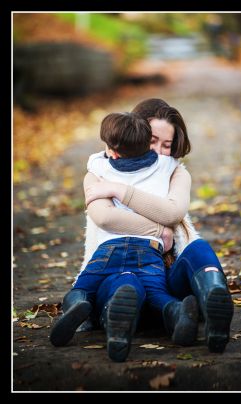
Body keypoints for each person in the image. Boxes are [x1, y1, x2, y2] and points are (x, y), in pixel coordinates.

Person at [71, 99, 234, 353]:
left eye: (166, 145)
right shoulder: (98, 172)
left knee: (198, 249)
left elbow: (173, 212)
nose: (158, 151)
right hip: (117, 279)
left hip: (166, 285)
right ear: (134, 134)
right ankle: (119, 320)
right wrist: (158, 231)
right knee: (119, 283)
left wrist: (120, 190)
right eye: (152, 141)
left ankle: (214, 302)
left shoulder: (175, 172)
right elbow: (103, 216)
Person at [49, 112, 198, 362]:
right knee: (157, 295)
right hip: (149, 251)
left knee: (84, 285)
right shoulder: (166, 165)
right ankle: (176, 312)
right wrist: (160, 230)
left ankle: (77, 305)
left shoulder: (99, 166)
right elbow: (174, 178)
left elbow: (102, 210)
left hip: (109, 248)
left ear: (113, 151)